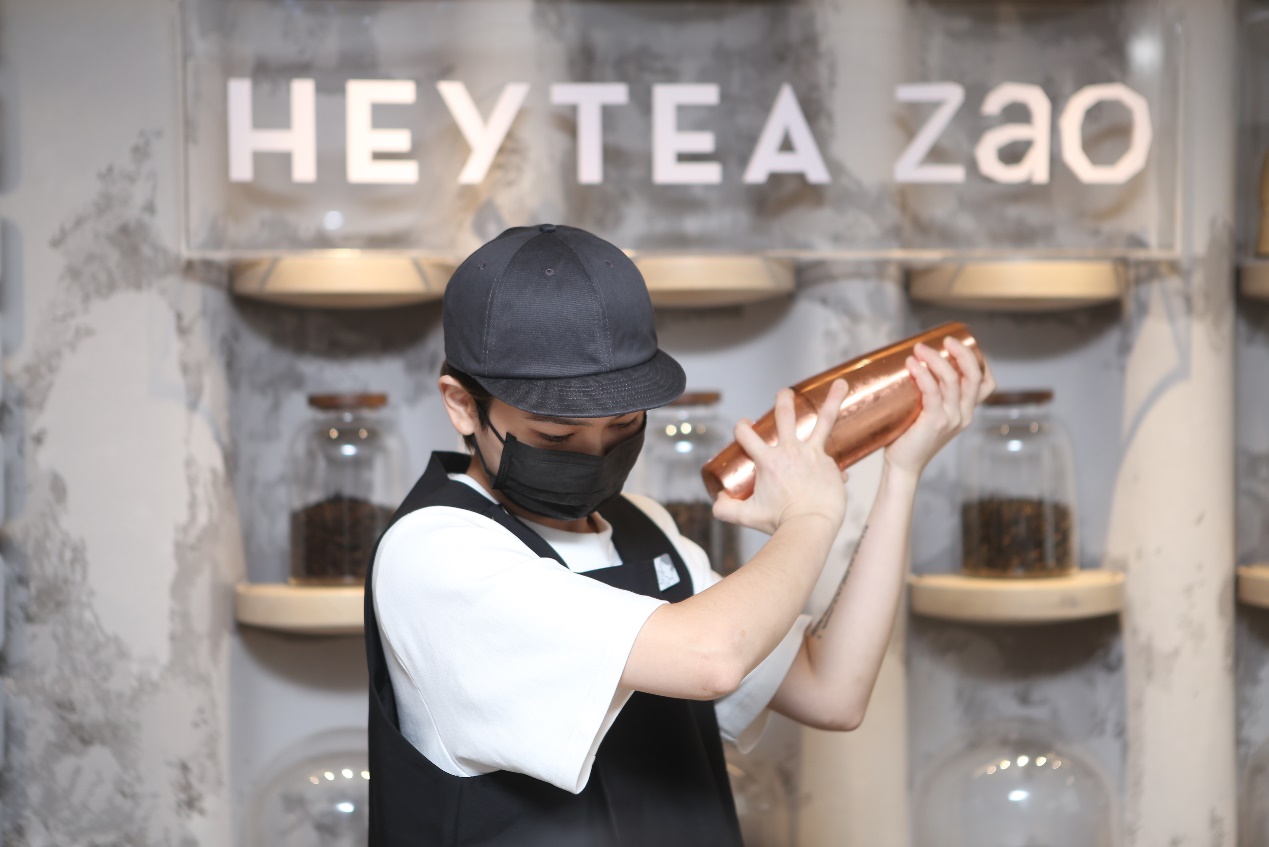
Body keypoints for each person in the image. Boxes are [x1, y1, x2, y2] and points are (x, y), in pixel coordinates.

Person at [364, 223, 994, 847]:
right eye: (556, 436)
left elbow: (832, 690)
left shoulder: (645, 527)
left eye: (622, 426)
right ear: (462, 405)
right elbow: (711, 658)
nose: (595, 453)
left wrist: (901, 475)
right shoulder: (434, 551)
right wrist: (810, 518)